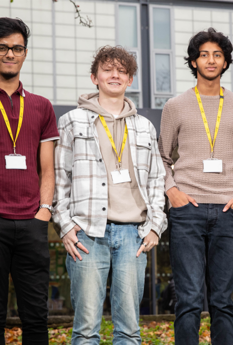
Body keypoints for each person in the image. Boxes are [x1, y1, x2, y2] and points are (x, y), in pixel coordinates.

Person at [53, 46, 167, 345]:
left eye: (122, 71)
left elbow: (157, 180)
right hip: (87, 234)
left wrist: (155, 226)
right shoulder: (72, 121)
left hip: (133, 235)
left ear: (130, 80)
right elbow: (59, 178)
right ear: (94, 77)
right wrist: (65, 226)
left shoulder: (144, 127)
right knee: (86, 329)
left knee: (129, 330)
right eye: (107, 69)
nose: (115, 75)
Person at [158, 27, 233, 345]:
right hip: (188, 210)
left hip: (227, 211)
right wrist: (172, 192)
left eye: (218, 54)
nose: (211, 60)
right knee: (189, 298)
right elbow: (162, 157)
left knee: (223, 302)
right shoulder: (174, 106)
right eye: (204, 54)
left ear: (225, 62)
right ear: (194, 61)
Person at [0, 17, 59, 345]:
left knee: (36, 315)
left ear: (25, 53)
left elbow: (47, 168)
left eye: (17, 48)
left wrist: (45, 210)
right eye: (3, 47)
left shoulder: (40, 106)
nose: (10, 53)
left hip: (32, 222)